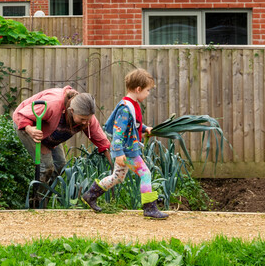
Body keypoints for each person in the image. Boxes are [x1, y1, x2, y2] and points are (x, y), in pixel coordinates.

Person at [81, 68, 168, 219]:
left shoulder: (132, 105)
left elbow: (133, 125)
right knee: (145, 174)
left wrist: (145, 128)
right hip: (127, 151)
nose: (148, 94)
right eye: (147, 90)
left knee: (117, 177)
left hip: (126, 150)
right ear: (138, 89)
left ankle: (90, 195)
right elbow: (118, 132)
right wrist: (119, 153)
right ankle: (149, 208)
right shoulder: (126, 108)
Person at [13, 86, 112, 183]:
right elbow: (20, 115)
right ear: (72, 111)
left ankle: (47, 195)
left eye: (88, 119)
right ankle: (37, 198)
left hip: (49, 133)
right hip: (26, 125)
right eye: (82, 119)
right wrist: (29, 128)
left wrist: (114, 167)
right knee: (47, 167)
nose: (85, 123)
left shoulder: (86, 114)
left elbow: (102, 141)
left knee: (60, 165)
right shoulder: (53, 104)